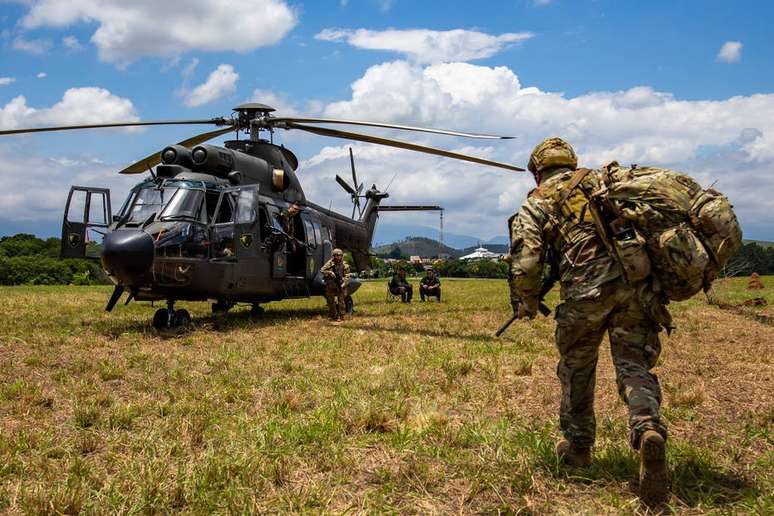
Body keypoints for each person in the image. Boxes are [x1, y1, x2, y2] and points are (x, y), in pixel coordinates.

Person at [508, 137, 670, 509]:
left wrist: (526, 301)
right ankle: (647, 426)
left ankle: (579, 448)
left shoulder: (538, 201)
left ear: (537, 171)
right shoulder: (604, 184)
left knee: (578, 368)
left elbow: (527, 257)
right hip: (636, 285)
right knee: (633, 366)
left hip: (585, 294)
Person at [320, 248, 349, 321]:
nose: (338, 257)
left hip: (340, 284)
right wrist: (330, 272)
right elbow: (322, 270)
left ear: (341, 256)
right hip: (330, 285)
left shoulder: (344, 265)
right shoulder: (330, 263)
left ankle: (342, 315)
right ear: (334, 256)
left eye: (339, 255)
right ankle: (335, 315)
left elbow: (347, 276)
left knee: (341, 301)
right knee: (331, 301)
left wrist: (343, 284)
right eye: (336, 255)